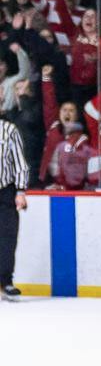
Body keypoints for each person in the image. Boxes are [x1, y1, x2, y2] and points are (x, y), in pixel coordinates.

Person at [0, 115, 25, 299]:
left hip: (5, 192)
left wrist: (21, 191)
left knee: (8, 238)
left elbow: (19, 164)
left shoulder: (9, 130)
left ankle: (6, 281)